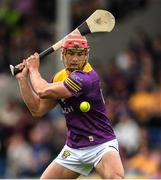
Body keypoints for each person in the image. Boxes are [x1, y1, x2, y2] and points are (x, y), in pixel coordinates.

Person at [15, 34, 124, 179]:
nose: (74, 59)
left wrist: (34, 69)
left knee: (115, 177)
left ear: (86, 55)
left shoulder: (87, 78)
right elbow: (37, 109)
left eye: (80, 54)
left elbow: (42, 90)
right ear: (63, 54)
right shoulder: (59, 77)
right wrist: (23, 79)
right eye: (70, 53)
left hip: (101, 144)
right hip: (74, 148)